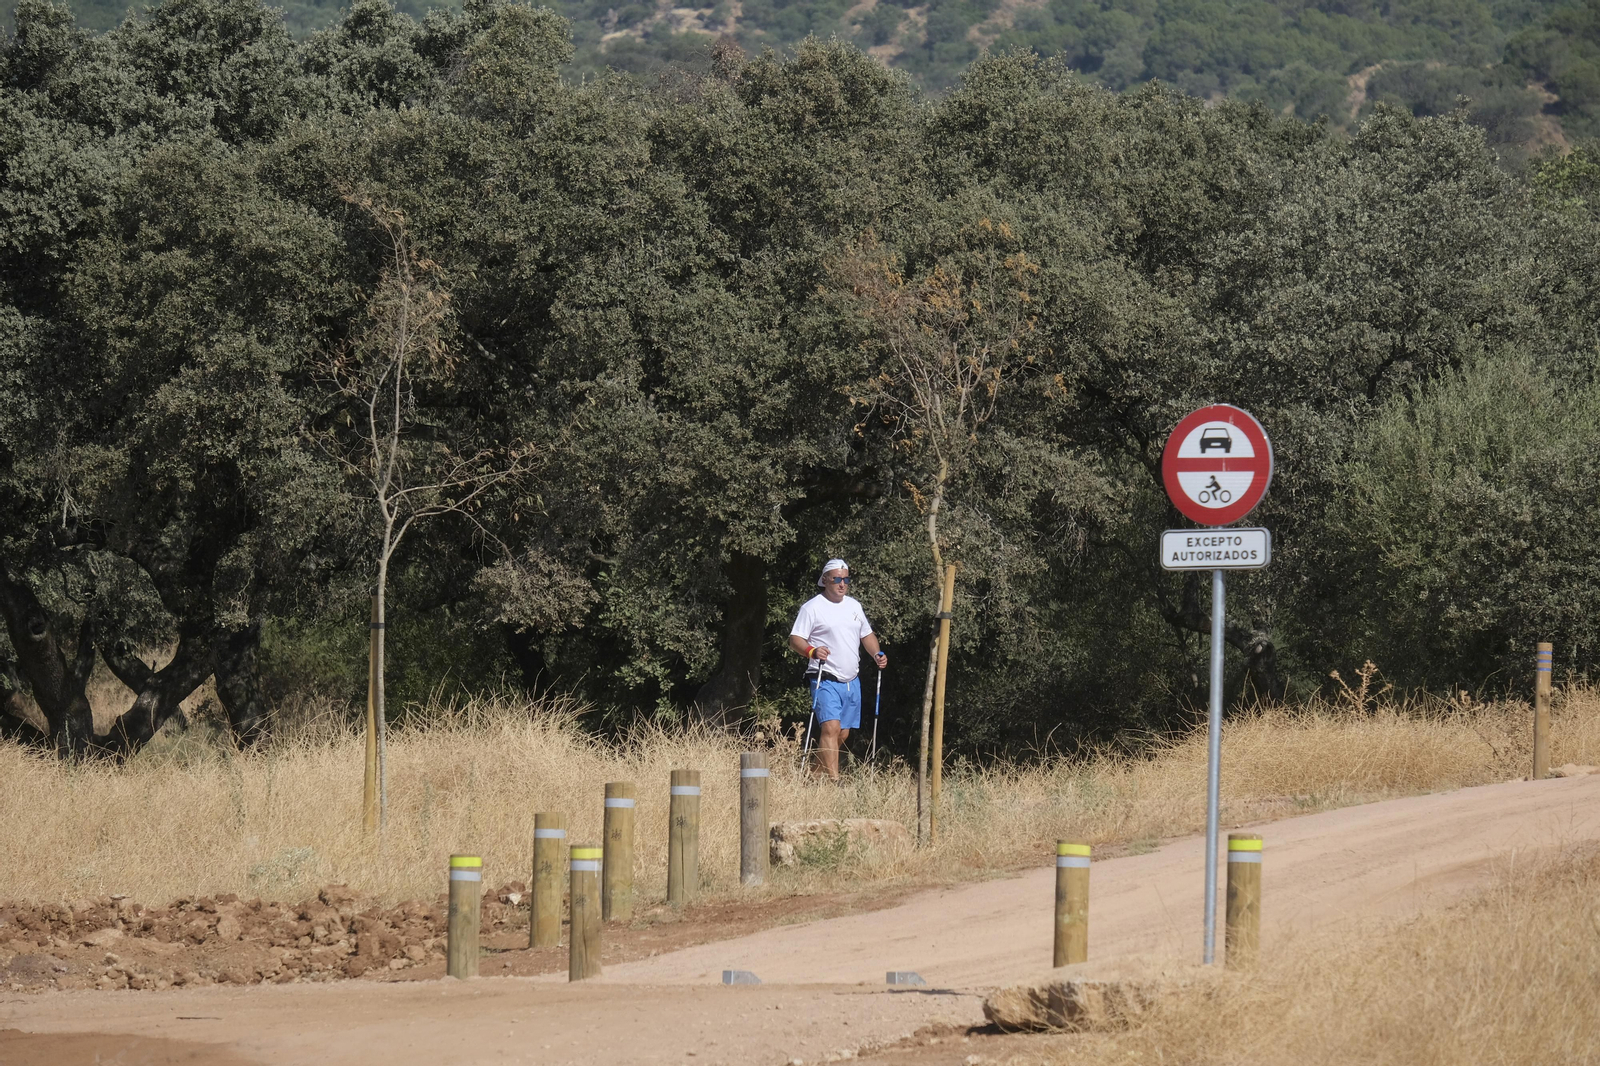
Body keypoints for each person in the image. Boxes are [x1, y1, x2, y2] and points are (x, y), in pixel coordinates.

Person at [788, 558, 887, 780]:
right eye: (837, 579)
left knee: (842, 733)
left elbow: (866, 634)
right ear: (825, 580)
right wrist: (811, 651)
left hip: (851, 680)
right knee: (830, 729)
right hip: (824, 677)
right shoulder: (812, 607)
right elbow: (795, 639)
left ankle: (813, 775)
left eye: (846, 579)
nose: (842, 584)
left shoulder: (854, 606)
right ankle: (834, 781)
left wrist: (876, 654)